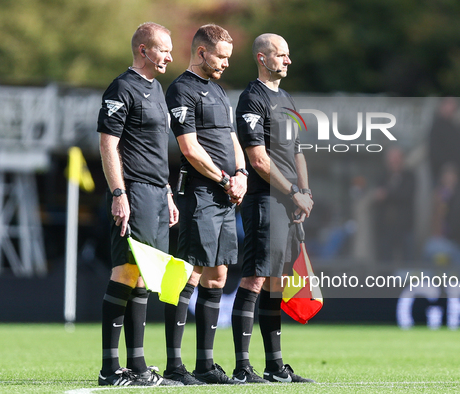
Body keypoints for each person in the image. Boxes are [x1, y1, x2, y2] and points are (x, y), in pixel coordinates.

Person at [163, 24, 247, 385]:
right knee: (189, 273)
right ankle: (174, 365)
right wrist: (226, 179)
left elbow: (231, 137)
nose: (226, 64)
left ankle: (205, 365)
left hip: (226, 196)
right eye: (221, 57)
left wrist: (242, 172)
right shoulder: (181, 89)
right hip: (201, 194)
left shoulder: (218, 91)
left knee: (219, 274)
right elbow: (190, 149)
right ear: (201, 52)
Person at [97, 22, 179, 386]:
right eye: (164, 49)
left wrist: (166, 191)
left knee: (144, 275)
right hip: (133, 193)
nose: (170, 56)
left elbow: (155, 151)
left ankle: (139, 367)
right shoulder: (122, 88)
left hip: (156, 194)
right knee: (127, 272)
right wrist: (119, 194)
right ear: (144, 50)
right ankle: (109, 368)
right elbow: (108, 144)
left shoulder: (157, 90)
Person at [232, 33, 315, 384]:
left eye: (288, 54)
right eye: (281, 55)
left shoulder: (287, 98)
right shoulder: (252, 99)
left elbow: (297, 150)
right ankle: (242, 367)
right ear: (262, 59)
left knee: (277, 282)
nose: (288, 61)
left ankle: (275, 366)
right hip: (265, 200)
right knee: (255, 277)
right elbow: (258, 159)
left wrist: (305, 192)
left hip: (288, 202)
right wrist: (293, 191)